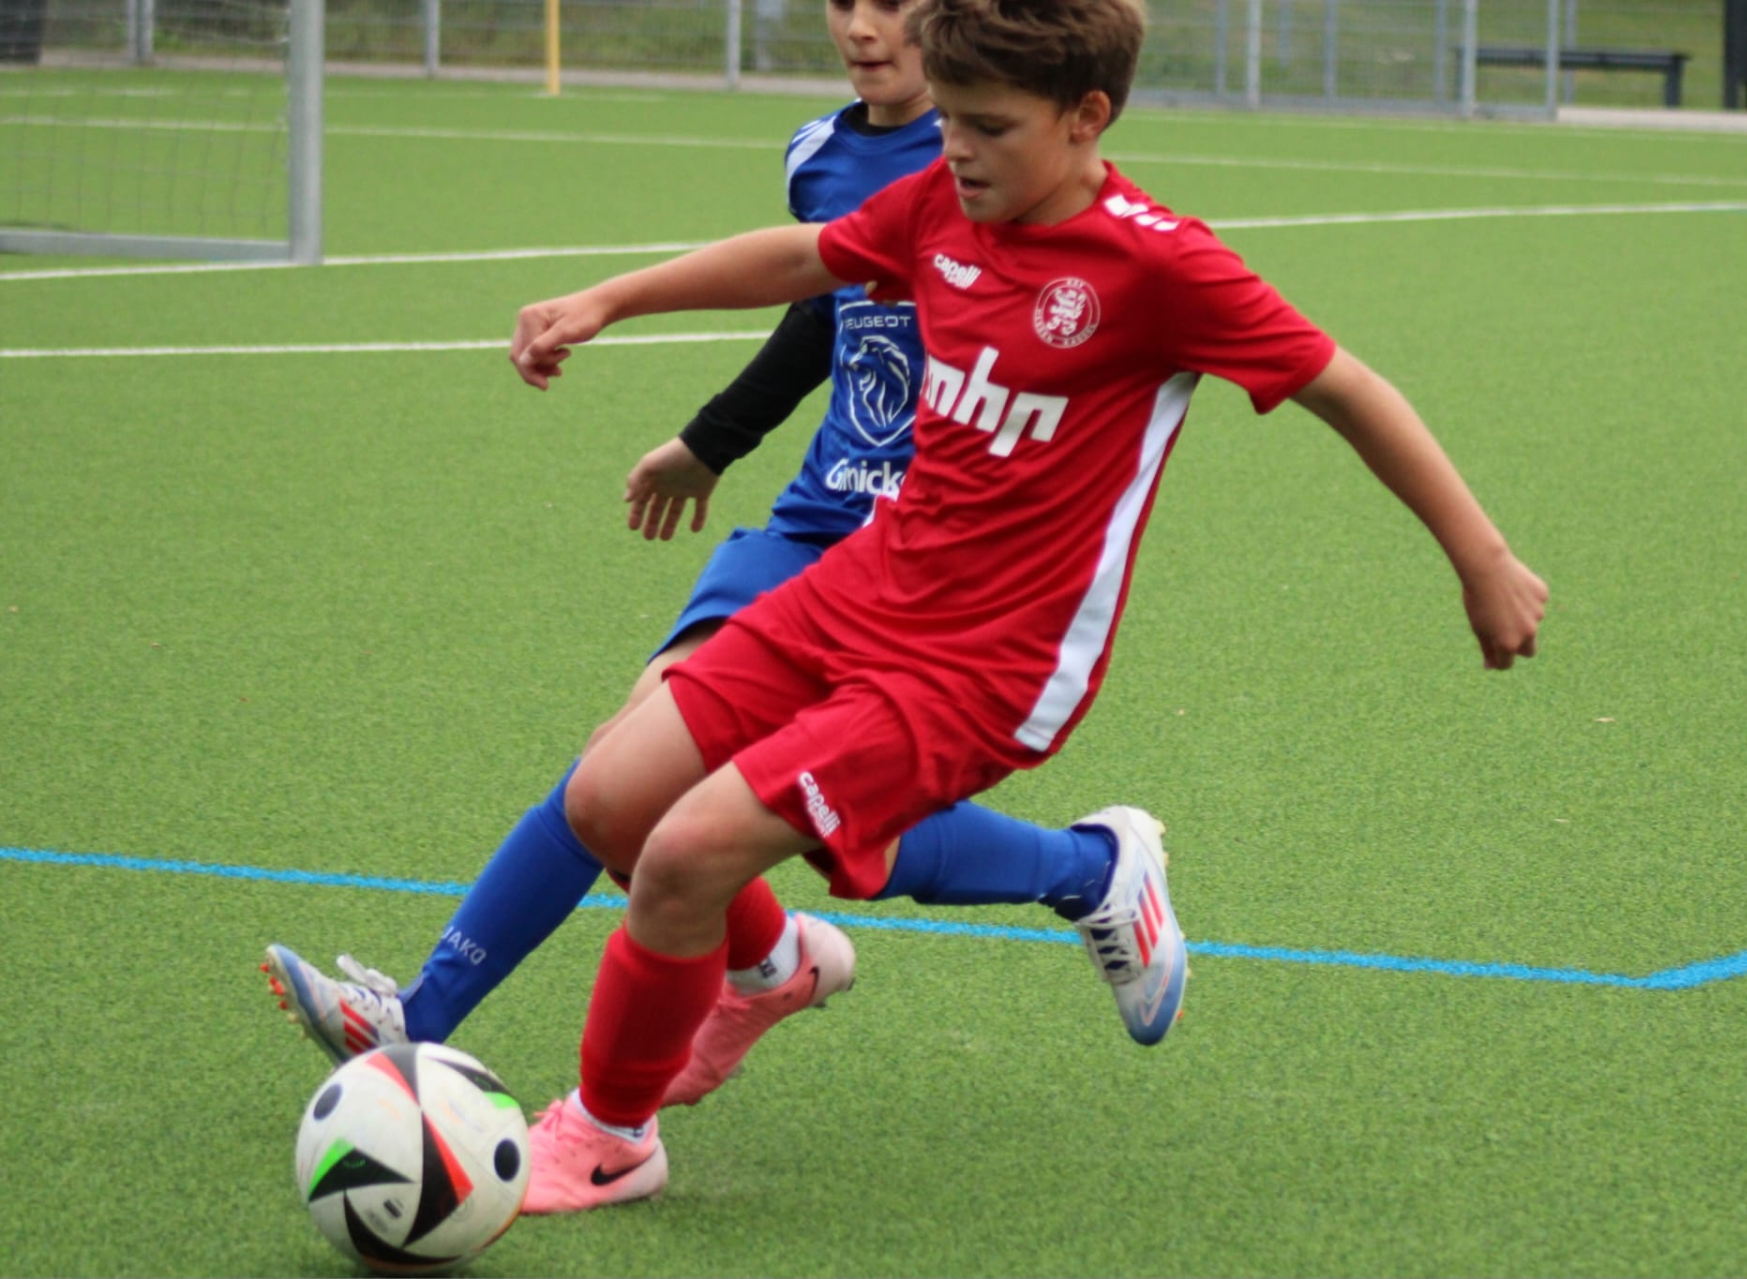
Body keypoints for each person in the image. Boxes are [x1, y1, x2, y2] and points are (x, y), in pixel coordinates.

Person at [501, 0, 1549, 1215]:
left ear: (1087, 115)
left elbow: (1347, 388)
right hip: (865, 587)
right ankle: (781, 968)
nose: (955, 147)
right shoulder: (942, 202)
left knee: (688, 852)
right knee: (611, 798)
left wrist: (1482, 558)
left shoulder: (1161, 265)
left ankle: (611, 1134)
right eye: (949, 118)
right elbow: (802, 261)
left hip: (989, 666)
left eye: (990, 126)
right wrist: (608, 301)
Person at [263, 0, 1181, 1112]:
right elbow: (823, 305)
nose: (864, 27)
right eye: (842, 1)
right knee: (627, 771)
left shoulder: (1010, 161)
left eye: (893, 5)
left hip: (930, 551)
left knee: (785, 808)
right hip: (817, 518)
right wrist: (712, 441)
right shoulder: (825, 154)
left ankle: (1079, 873)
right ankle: (491, 1004)